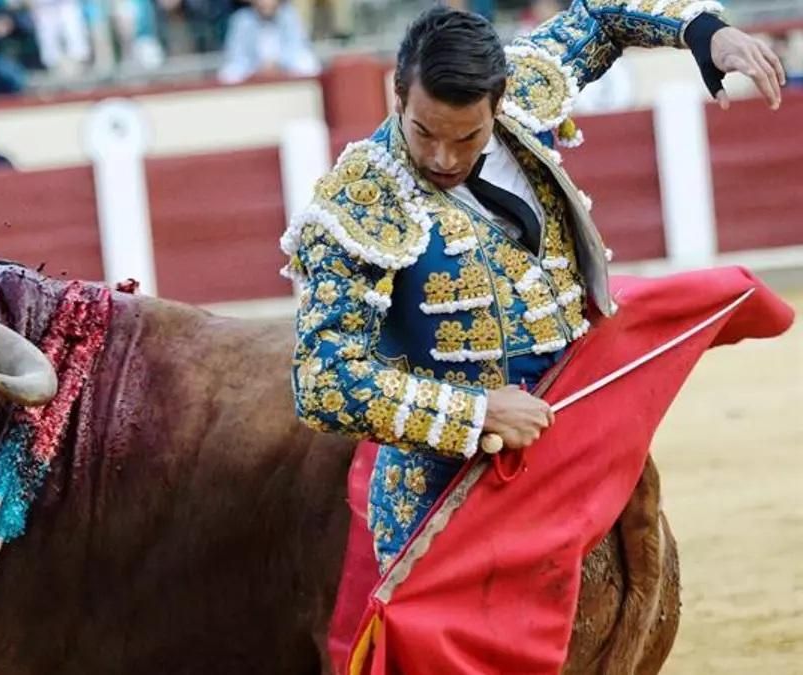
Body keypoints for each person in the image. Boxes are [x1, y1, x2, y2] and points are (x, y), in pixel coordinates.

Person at [281, 3, 785, 572]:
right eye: (423, 132)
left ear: (499, 102)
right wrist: (475, 412)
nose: (443, 158)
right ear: (398, 94)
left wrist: (706, 34)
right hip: (447, 493)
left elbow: (600, 13)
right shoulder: (357, 202)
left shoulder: (525, 95)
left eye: (468, 137)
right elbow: (321, 381)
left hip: (581, 446)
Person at [217, 0, 319, 85]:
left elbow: (297, 46)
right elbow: (236, 55)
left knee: (307, 63)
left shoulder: (290, 15)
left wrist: (276, 64)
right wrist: (259, 68)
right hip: (252, 70)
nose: (265, 2)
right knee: (228, 74)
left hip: (285, 66)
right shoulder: (241, 20)